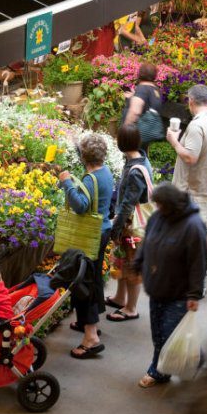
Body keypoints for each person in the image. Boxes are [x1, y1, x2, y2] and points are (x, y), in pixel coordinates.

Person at [135, 183, 207, 388]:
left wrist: (194, 294)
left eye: (160, 204)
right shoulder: (158, 217)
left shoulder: (193, 226)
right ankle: (175, 365)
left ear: (171, 204)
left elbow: (198, 263)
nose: (157, 208)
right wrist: (139, 262)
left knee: (168, 335)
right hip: (157, 287)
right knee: (159, 333)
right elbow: (146, 240)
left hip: (179, 293)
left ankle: (159, 370)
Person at [58, 134, 115, 359]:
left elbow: (81, 207)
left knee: (84, 283)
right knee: (93, 278)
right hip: (102, 230)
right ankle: (86, 322)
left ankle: (91, 338)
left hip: (88, 236)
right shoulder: (106, 172)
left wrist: (67, 183)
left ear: (84, 157)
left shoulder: (90, 179)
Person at [106, 124, 153, 322]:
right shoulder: (140, 159)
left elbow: (127, 205)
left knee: (133, 264)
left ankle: (131, 307)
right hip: (131, 225)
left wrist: (115, 230)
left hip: (133, 227)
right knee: (124, 260)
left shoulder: (134, 171)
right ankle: (120, 298)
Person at [166, 84, 207, 225]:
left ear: (191, 101)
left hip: (191, 196)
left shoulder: (197, 126)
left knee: (184, 242)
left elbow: (190, 157)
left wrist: (174, 141)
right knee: (199, 240)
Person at [120, 63, 163, 145]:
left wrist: (124, 133)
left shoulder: (142, 89)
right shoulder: (156, 90)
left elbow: (135, 112)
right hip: (146, 135)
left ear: (140, 74)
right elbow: (148, 104)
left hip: (134, 136)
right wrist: (134, 96)